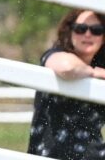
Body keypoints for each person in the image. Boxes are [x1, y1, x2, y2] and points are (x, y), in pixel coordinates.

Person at [28, 8, 105, 159]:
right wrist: (94, 73)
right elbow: (67, 67)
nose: (87, 34)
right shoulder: (54, 55)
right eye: (80, 29)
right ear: (69, 32)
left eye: (96, 30)